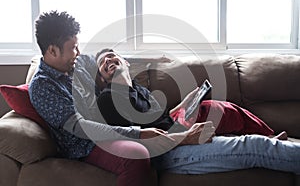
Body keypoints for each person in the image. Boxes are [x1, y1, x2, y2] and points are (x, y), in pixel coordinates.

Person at [29, 10, 204, 186]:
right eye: (73, 47)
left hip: (111, 126)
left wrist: (154, 59)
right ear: (52, 50)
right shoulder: (42, 86)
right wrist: (138, 133)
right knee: (135, 154)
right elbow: (80, 127)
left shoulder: (80, 64)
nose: (78, 51)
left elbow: (110, 60)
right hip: (86, 145)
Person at [95, 48, 300, 175]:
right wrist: (185, 137)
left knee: (224, 114)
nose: (108, 61)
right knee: (255, 146)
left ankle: (270, 135)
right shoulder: (108, 99)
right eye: (102, 63)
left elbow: (164, 117)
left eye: (112, 56)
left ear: (126, 62)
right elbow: (134, 140)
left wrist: (186, 101)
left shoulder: (140, 90)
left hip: (178, 135)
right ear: (103, 79)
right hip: (169, 152)